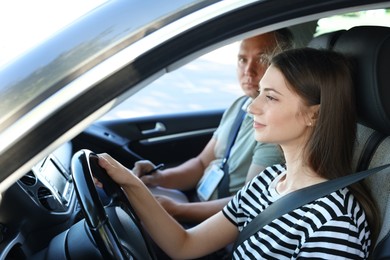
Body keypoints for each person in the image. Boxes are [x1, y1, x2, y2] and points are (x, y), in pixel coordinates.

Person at [96, 47, 378, 259]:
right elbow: (185, 244)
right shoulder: (268, 182)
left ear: (313, 116)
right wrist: (130, 184)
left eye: (270, 97)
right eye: (260, 93)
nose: (252, 107)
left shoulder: (334, 223)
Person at [131, 29, 294, 224]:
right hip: (197, 204)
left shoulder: (276, 125)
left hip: (222, 224)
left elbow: (249, 203)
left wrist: (177, 210)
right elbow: (201, 164)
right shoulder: (239, 105)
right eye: (242, 59)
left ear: (282, 63)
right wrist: (157, 178)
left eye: (262, 58)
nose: (248, 70)